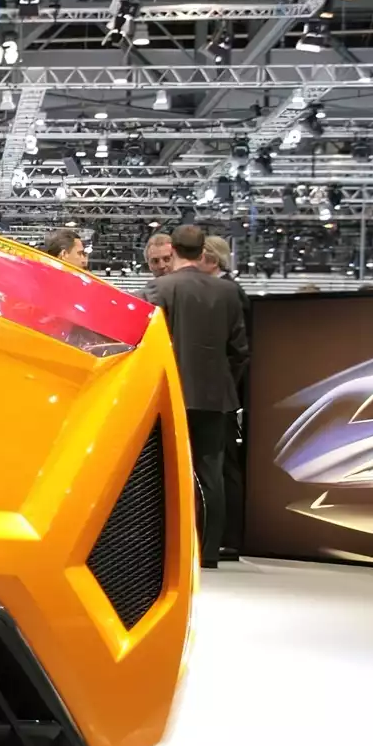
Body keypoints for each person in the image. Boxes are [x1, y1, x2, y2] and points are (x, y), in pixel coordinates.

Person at [147, 224, 248, 570]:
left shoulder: (159, 289)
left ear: (173, 250)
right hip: (216, 398)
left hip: (170, 397)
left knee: (165, 474)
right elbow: (240, 351)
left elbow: (148, 347)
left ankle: (168, 550)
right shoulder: (228, 292)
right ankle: (208, 551)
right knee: (211, 475)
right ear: (202, 251)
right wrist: (224, 385)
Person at [201, 234, 251, 562]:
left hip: (224, 396)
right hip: (223, 393)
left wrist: (228, 387)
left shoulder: (230, 293)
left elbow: (239, 351)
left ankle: (229, 538)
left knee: (224, 465)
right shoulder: (224, 291)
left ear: (212, 259)